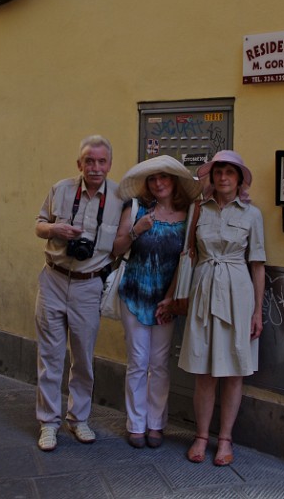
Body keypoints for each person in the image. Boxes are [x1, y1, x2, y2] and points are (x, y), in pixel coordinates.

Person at [158, 149, 265, 466]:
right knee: (204, 371)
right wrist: (172, 295)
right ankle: (202, 436)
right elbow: (188, 256)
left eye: (229, 172)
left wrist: (257, 311)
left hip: (237, 293)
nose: (222, 178)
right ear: (212, 176)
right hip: (203, 290)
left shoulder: (252, 215)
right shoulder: (198, 210)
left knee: (233, 372)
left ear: (239, 178)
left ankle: (226, 439)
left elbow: (258, 265)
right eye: (218, 172)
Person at [34, 135, 124, 452]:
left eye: (101, 161)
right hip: (54, 279)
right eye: (89, 160)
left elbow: (163, 198)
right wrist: (54, 230)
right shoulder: (60, 189)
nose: (95, 167)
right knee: (50, 356)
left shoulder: (121, 197)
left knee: (83, 357)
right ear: (79, 164)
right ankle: (48, 423)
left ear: (110, 165)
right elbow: (38, 225)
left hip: (90, 284)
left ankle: (78, 418)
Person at [111, 155, 202, 449]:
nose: (159, 183)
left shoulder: (188, 214)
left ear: (174, 181)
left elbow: (188, 257)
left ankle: (156, 423)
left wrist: (171, 298)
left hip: (167, 298)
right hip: (135, 292)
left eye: (164, 177)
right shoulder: (136, 208)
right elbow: (116, 249)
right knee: (138, 360)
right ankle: (136, 423)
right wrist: (138, 230)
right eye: (153, 178)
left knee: (161, 363)